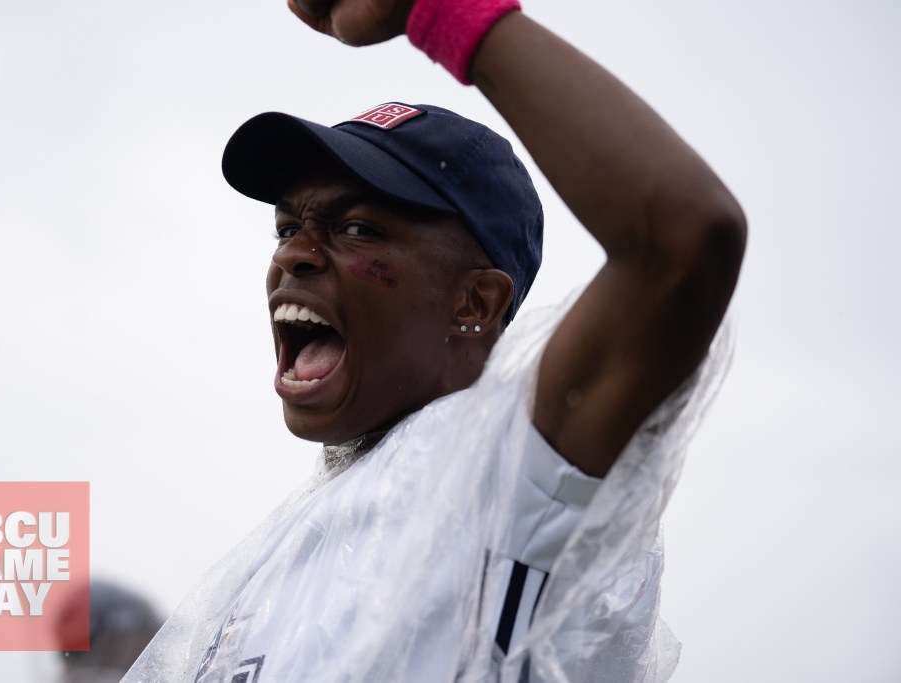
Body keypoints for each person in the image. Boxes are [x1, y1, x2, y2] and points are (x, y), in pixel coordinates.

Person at [125, 0, 745, 681]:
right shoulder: (279, 559)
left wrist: (438, 9)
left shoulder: (508, 473)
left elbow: (683, 240)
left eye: (357, 228)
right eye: (286, 228)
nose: (293, 255)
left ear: (474, 301)